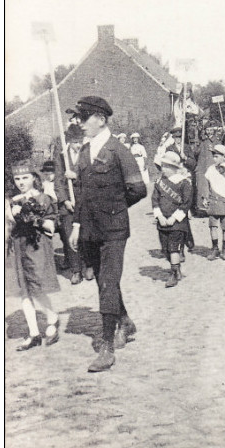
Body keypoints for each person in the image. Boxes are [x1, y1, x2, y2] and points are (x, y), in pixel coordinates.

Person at [68, 96, 147, 372]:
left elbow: (138, 190)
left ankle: (107, 348)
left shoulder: (118, 151)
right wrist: (77, 225)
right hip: (90, 228)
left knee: (107, 282)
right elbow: (80, 192)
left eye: (84, 117)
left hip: (113, 229)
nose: (79, 122)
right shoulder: (85, 150)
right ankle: (124, 322)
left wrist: (113, 207)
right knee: (104, 280)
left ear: (100, 119)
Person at [7, 162, 60, 350]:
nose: (21, 182)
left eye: (25, 178)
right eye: (17, 179)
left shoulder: (44, 198)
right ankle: (34, 333)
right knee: (24, 290)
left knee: (37, 287)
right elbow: (10, 225)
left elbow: (51, 227)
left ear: (33, 178)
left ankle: (52, 318)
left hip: (36, 247)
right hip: (18, 246)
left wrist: (31, 216)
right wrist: (10, 213)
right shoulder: (12, 200)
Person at [54, 123, 95, 285]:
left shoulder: (88, 153)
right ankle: (76, 270)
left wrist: (76, 176)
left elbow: (92, 177)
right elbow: (58, 181)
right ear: (69, 141)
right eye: (75, 142)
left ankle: (90, 265)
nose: (78, 145)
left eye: (80, 141)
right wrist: (64, 200)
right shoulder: (61, 156)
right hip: (68, 204)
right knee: (70, 236)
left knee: (87, 236)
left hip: (84, 202)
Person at [151, 151, 193, 287]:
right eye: (162, 165)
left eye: (166, 166)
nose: (162, 168)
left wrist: (174, 218)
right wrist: (160, 216)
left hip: (177, 223)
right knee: (165, 249)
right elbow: (155, 200)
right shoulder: (159, 182)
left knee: (173, 247)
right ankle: (176, 268)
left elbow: (186, 203)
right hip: (162, 221)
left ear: (173, 168)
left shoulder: (184, 183)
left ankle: (173, 274)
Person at [202, 144, 225, 261]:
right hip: (213, 202)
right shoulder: (210, 170)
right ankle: (214, 249)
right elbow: (206, 185)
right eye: (214, 156)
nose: (214, 159)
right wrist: (205, 198)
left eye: (217, 156)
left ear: (224, 157)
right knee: (213, 226)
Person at [164, 125, 197, 255]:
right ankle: (184, 244)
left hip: (186, 182)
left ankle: (186, 242)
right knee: (179, 214)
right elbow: (166, 165)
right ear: (172, 137)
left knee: (183, 212)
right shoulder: (169, 149)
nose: (178, 139)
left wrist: (186, 159)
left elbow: (193, 165)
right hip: (174, 183)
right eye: (175, 137)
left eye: (179, 137)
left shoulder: (187, 148)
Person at [195, 122, 220, 214]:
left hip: (213, 168)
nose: (209, 132)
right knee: (202, 188)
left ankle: (213, 208)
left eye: (211, 130)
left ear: (214, 131)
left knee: (213, 188)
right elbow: (196, 153)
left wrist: (214, 150)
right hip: (202, 168)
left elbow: (222, 154)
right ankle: (202, 209)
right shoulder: (203, 142)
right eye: (207, 130)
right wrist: (197, 144)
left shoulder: (217, 142)